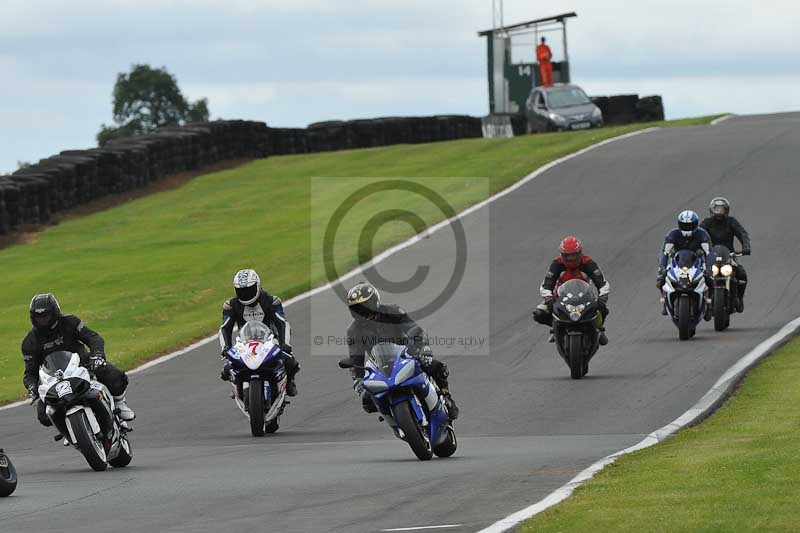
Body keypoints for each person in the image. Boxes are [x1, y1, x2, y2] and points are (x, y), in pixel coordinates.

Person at [343, 282, 459, 420]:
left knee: (436, 366)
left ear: (375, 302)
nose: (361, 312)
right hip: (380, 365)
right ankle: (390, 414)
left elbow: (415, 329)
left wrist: (423, 349)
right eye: (357, 309)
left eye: (364, 307)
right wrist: (358, 380)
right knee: (367, 400)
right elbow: (356, 357)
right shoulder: (353, 330)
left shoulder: (392, 311)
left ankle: (447, 397)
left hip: (407, 353)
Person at [22, 293, 135, 426]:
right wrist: (32, 387)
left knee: (115, 377)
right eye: (39, 317)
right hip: (55, 379)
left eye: (46, 316)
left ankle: (119, 404)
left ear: (54, 312)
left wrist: (97, 355)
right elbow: (30, 372)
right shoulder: (29, 342)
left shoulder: (70, 322)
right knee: (44, 415)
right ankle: (69, 428)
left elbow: (93, 338)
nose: (43, 320)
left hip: (83, 366)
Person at [219, 269, 300, 396]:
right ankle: (238, 388)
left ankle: (289, 382)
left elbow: (282, 323)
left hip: (270, 339)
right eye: (241, 290)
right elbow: (225, 328)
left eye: (249, 289)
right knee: (226, 369)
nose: (245, 293)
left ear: (257, 286)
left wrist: (286, 346)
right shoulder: (230, 305)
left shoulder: (271, 301)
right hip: (245, 340)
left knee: (291, 362)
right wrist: (226, 348)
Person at [531, 236, 611, 344]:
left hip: (585, 298)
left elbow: (602, 283)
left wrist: (602, 298)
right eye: (568, 256)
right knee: (538, 313)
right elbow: (546, 284)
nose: (572, 258)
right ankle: (556, 329)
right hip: (560, 299)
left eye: (574, 255)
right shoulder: (557, 264)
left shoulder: (588, 263)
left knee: (603, 308)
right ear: (562, 255)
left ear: (580, 253)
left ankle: (599, 329)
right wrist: (549, 299)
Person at [656, 210, 713, 320]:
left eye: (690, 225)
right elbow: (664, 252)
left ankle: (709, 303)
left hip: (697, 262)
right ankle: (664, 301)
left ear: (695, 224)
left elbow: (709, 252)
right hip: (677, 263)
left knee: (710, 279)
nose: (687, 228)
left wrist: (709, 268)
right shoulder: (673, 234)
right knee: (661, 278)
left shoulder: (702, 234)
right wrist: (662, 267)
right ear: (679, 224)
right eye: (684, 225)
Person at [700, 197, 751, 312]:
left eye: (721, 209)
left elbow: (742, 233)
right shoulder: (707, 223)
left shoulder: (731, 222)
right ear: (712, 210)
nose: (719, 212)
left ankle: (739, 298)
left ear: (726, 210)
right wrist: (697, 249)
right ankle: (704, 301)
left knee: (742, 274)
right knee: (700, 276)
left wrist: (746, 247)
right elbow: (699, 234)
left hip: (729, 256)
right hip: (710, 257)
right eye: (716, 209)